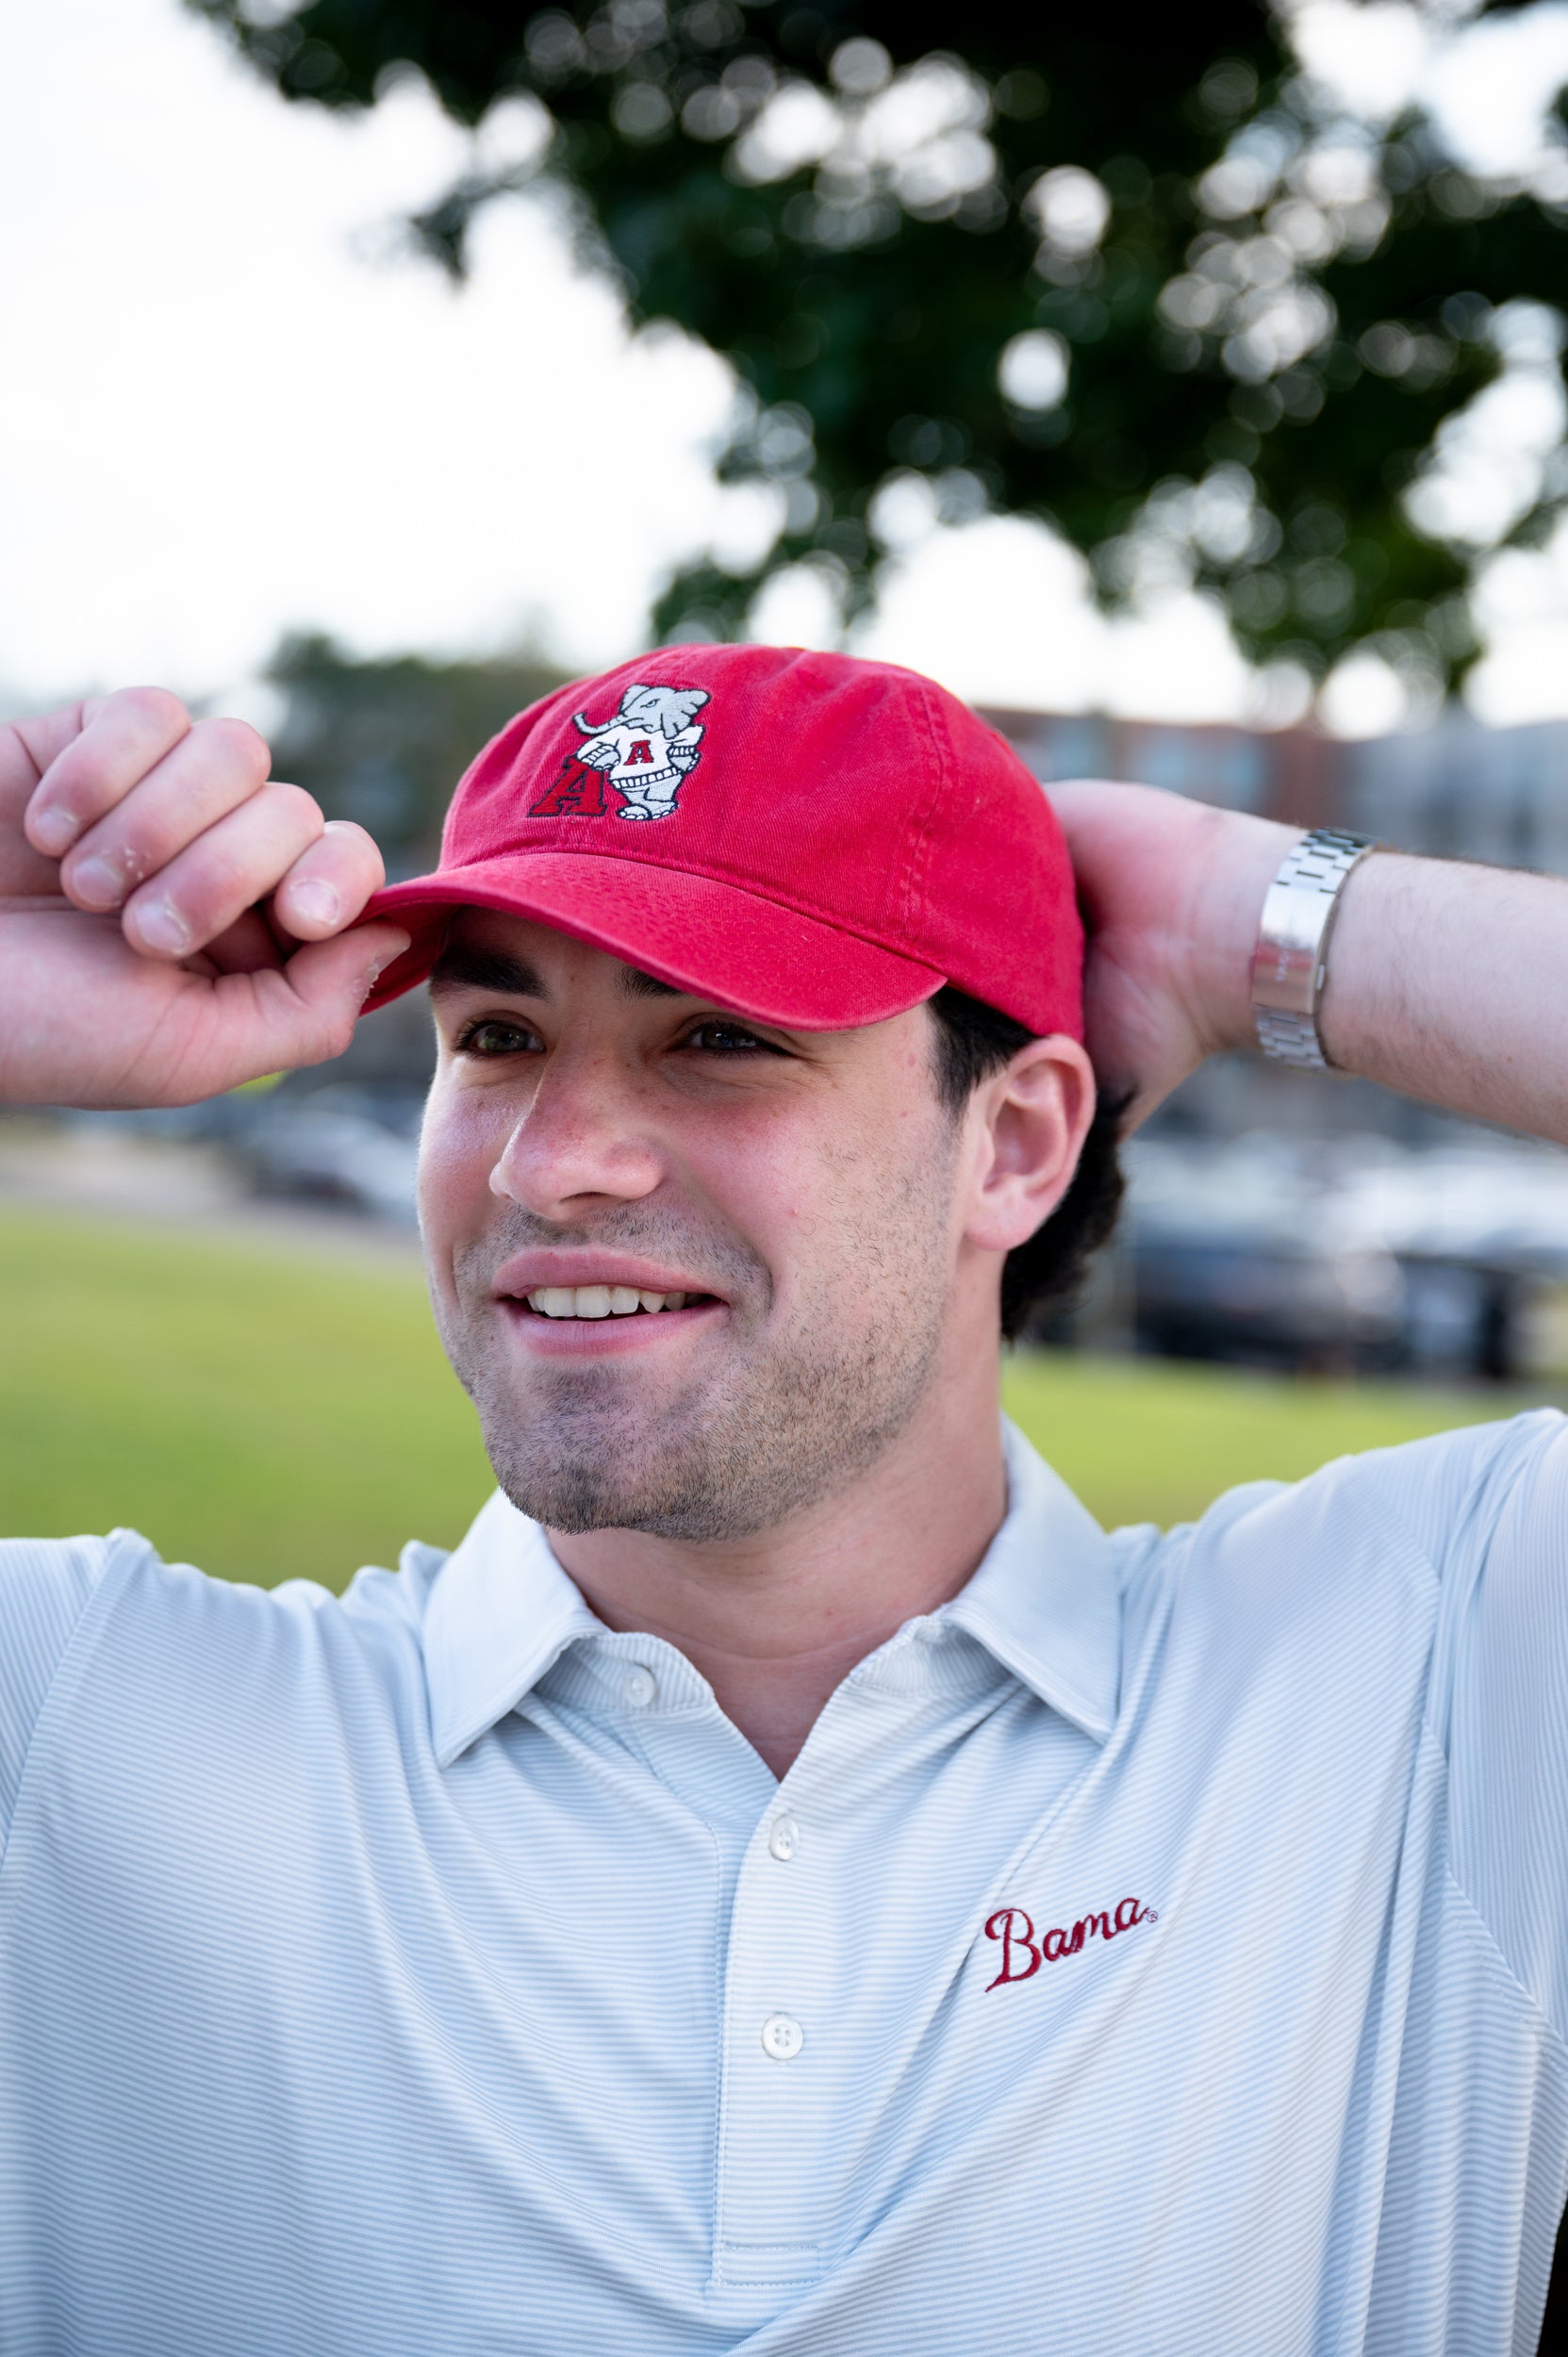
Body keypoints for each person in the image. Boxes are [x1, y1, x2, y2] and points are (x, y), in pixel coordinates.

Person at [1, 642, 1566, 2357]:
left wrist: (1240, 919)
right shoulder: (85, 1728)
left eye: (721, 1039)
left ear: (1020, 1142)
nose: (550, 1158)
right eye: (501, 1033)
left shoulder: (1424, 1685)